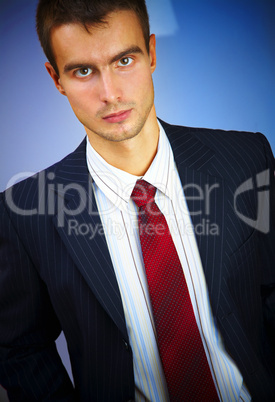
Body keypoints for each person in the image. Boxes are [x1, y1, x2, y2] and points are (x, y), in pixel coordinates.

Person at [0, 0, 274, 400]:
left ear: (152, 54)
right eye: (82, 71)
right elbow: (19, 348)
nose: (109, 94)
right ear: (55, 78)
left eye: (124, 60)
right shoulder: (23, 212)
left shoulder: (247, 158)